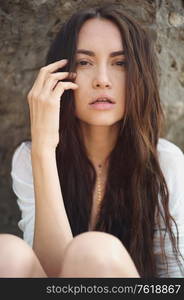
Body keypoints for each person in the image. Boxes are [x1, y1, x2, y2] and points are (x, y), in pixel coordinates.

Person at [10, 3, 184, 278]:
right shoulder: (30, 157)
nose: (102, 80)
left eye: (120, 63)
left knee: (93, 252)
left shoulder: (165, 161)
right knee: (7, 253)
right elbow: (52, 275)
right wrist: (44, 150)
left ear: (141, 75)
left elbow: (173, 275)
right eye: (84, 62)